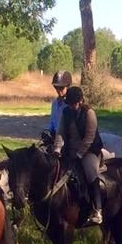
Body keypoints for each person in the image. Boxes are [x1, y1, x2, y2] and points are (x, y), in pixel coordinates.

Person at [61, 85, 104, 226]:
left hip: (89, 151)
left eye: (75, 103)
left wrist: (79, 155)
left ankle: (97, 209)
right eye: (70, 103)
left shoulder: (89, 113)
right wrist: (56, 149)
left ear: (81, 101)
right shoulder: (66, 112)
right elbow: (60, 133)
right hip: (69, 151)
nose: (72, 106)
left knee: (91, 173)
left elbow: (89, 138)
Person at [47, 70, 72, 150]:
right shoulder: (54, 103)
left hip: (68, 141)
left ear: (68, 86)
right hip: (54, 139)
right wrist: (48, 132)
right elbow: (52, 123)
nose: (58, 90)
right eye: (56, 87)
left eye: (61, 87)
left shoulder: (71, 105)